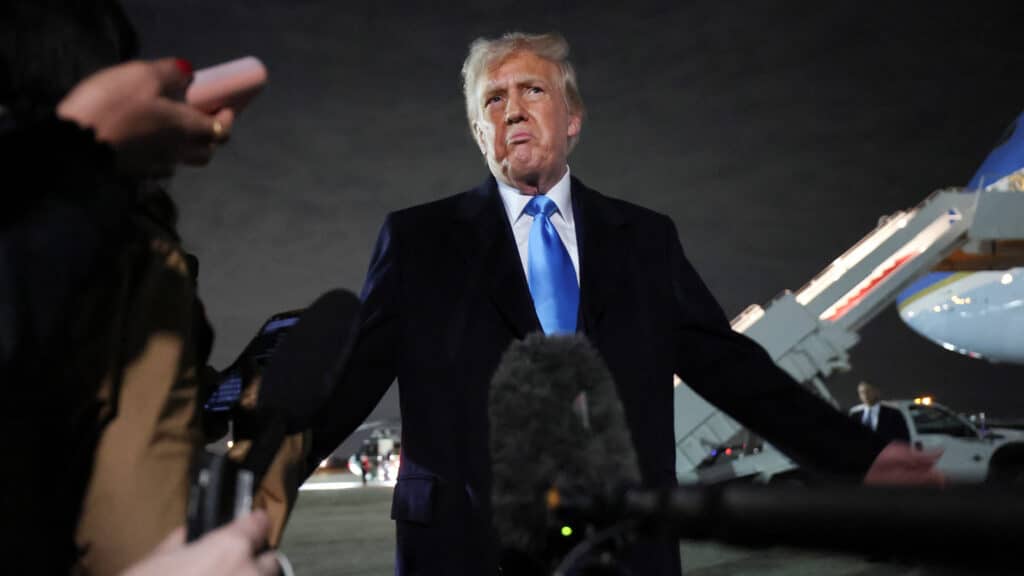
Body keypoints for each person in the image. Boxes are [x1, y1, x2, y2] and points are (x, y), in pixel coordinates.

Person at [307, 32, 940, 575]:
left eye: (532, 90)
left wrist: (859, 456)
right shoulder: (419, 241)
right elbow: (350, 380)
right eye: (492, 101)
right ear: (480, 133)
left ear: (573, 117)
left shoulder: (645, 239)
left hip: (623, 546)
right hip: (464, 546)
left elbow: (732, 369)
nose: (512, 111)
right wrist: (250, 481)